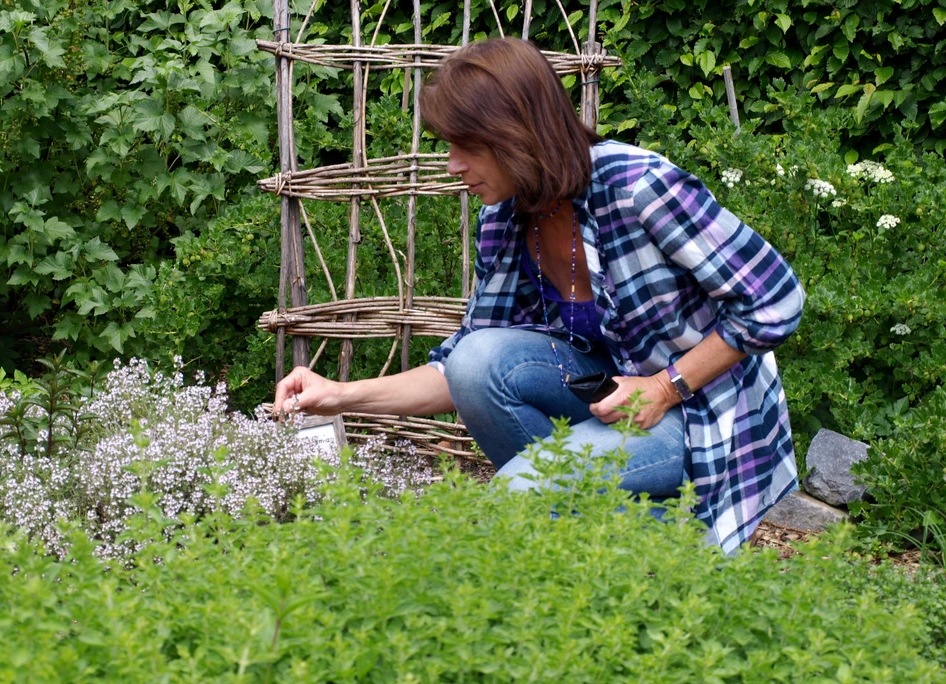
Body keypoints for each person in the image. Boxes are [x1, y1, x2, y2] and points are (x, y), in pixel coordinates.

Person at [272, 37, 805, 554]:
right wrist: (341, 394)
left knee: (519, 494)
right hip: (612, 405)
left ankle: (671, 538)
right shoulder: (506, 219)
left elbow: (776, 300)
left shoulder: (638, 186)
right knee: (476, 362)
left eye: (467, 146)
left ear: (516, 134)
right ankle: (570, 534)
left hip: (702, 414)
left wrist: (666, 387)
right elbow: (457, 370)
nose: (453, 165)